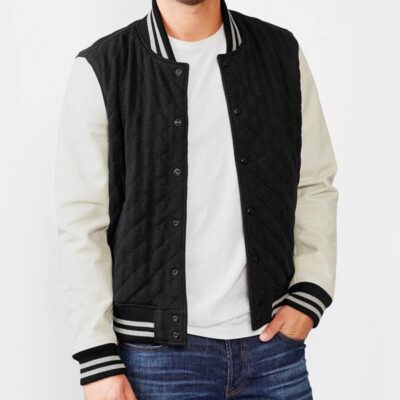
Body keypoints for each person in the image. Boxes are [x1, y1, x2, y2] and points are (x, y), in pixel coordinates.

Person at [55, 0, 338, 399]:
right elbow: (82, 224)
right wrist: (97, 359)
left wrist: (309, 294)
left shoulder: (280, 53)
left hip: (273, 351)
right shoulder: (104, 67)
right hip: (157, 361)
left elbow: (313, 184)